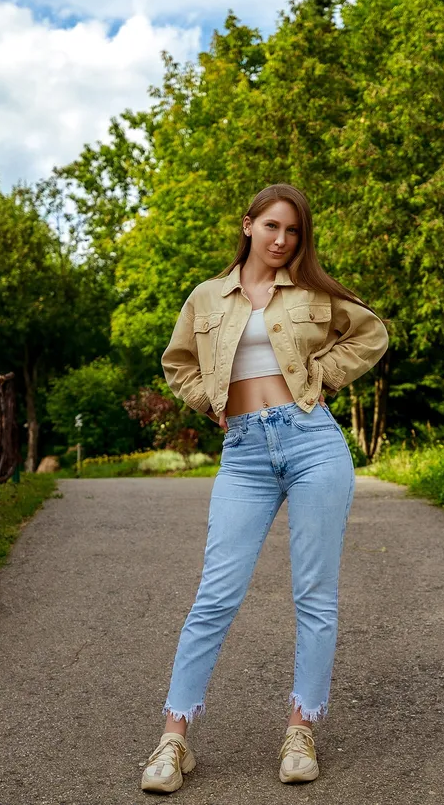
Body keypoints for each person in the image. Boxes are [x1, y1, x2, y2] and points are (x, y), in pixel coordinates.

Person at [140, 183, 388, 793]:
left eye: (294, 232)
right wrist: (209, 401)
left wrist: (321, 375)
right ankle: (174, 739)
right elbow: (178, 364)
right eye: (272, 227)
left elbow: (372, 333)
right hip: (244, 453)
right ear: (248, 225)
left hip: (311, 442)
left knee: (314, 594)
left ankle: (301, 729)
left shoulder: (311, 293)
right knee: (215, 596)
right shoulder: (206, 297)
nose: (282, 240)